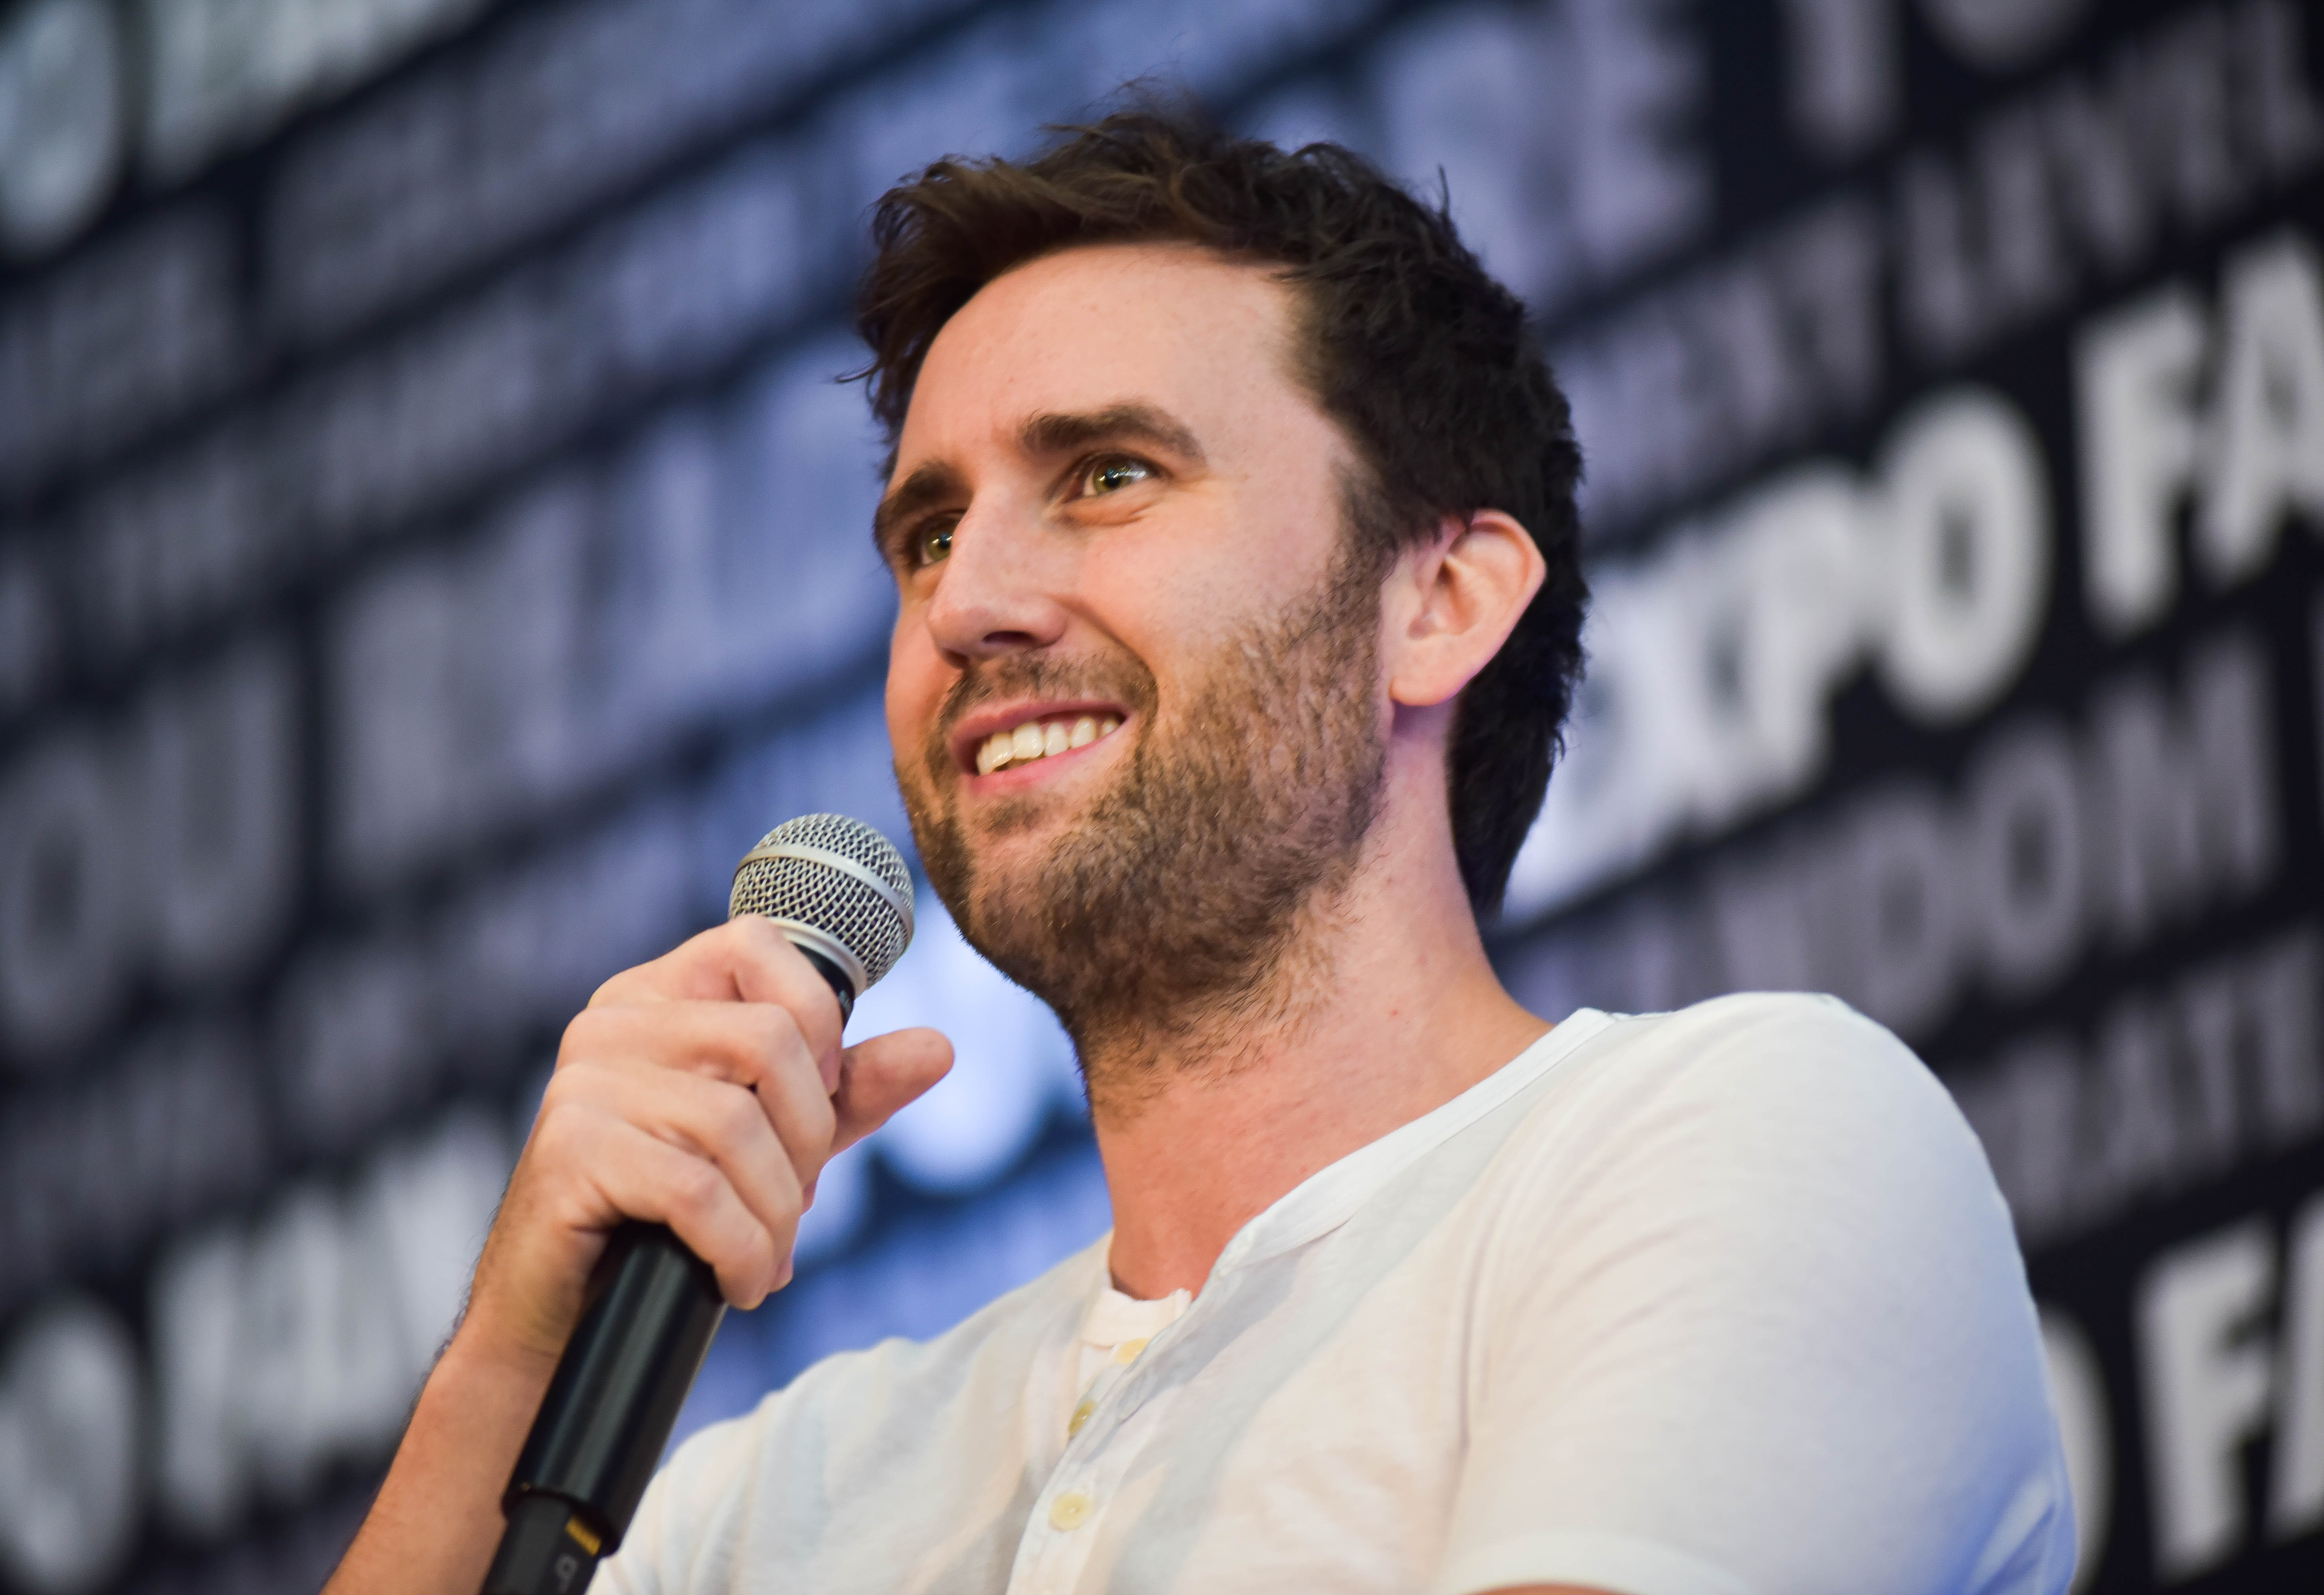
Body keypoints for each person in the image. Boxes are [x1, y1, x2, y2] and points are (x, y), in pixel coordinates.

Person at [327, 110, 2075, 1595]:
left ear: (1438, 602)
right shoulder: (771, 1500)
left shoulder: (1735, 1142)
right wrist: (512, 1358)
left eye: (1104, 476)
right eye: (925, 534)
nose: (970, 606)